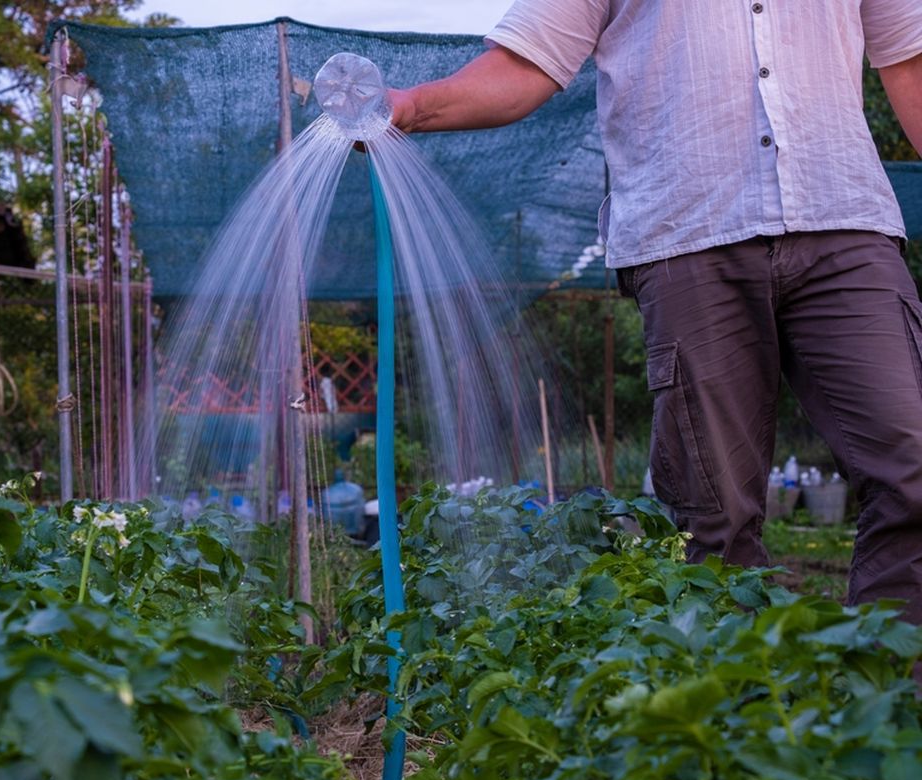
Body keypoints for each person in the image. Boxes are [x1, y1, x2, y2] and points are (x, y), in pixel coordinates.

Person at [388, 2, 922, 623]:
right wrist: (410, 107)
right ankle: (728, 710)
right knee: (713, 515)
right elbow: (525, 63)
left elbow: (908, 64)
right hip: (688, 232)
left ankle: (891, 693)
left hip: (844, 215)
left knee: (912, 467)